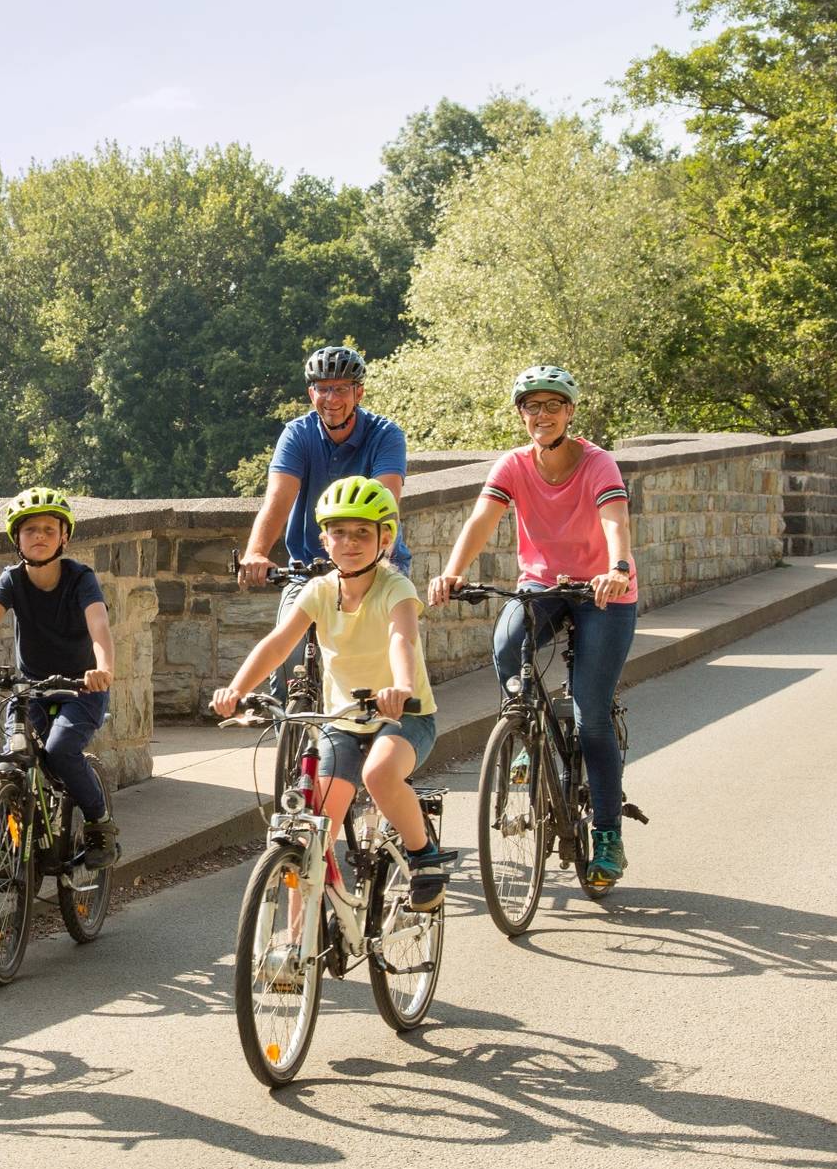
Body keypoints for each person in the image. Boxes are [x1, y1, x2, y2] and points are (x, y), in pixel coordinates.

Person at [429, 365, 639, 888]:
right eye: (531, 407)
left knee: (591, 717)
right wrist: (453, 572)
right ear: (521, 414)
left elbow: (614, 521)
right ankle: (528, 730)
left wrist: (618, 568)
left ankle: (609, 836)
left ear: (569, 412)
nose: (541, 415)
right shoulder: (515, 465)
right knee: (506, 643)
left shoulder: (597, 463)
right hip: (543, 587)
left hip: (602, 593)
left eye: (552, 406)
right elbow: (481, 519)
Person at [212, 477, 456, 911]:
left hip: (405, 716)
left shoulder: (394, 587)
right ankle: (291, 953)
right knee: (311, 832)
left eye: (363, 532)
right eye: (339, 532)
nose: (350, 542)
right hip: (341, 721)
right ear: (324, 540)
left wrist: (400, 687)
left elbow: (403, 638)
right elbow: (277, 643)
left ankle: (423, 856)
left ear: (385, 538)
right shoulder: (321, 590)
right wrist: (237, 689)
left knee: (379, 775)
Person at [0, 487, 122, 869]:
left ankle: (98, 822)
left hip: (81, 688)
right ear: (16, 539)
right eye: (30, 530)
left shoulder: (80, 578)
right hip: (32, 687)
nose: (39, 536)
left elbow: (99, 626)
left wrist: (103, 669)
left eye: (49, 530)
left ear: (64, 537)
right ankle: (16, 830)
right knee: (13, 756)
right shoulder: (12, 580)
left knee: (59, 751)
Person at [237, 345, 411, 590]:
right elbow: (278, 499)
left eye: (341, 389)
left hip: (375, 566)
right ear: (311, 393)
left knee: (387, 626)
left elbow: (386, 502)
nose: (332, 398)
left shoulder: (385, 435)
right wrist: (256, 552)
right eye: (323, 388)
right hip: (309, 569)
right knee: (291, 626)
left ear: (358, 393)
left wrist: (368, 562)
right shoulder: (297, 435)